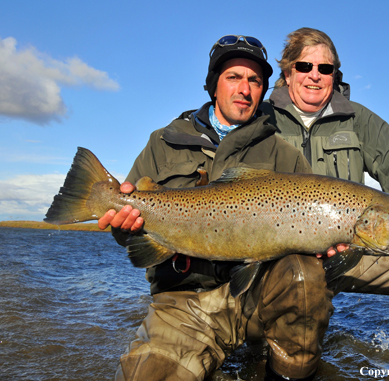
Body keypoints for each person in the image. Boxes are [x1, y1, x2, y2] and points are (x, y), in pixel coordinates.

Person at [100, 35, 332, 381]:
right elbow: (129, 238)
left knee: (304, 274)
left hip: (259, 298)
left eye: (255, 80)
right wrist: (123, 224)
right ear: (212, 86)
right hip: (184, 302)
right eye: (233, 77)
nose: (245, 88)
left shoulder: (284, 155)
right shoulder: (163, 141)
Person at [259, 27, 389, 367]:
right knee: (286, 313)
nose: (315, 76)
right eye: (305, 67)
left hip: (351, 251)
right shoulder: (261, 119)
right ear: (288, 71)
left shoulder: (359, 119)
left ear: (335, 74)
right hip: (283, 259)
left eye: (326, 68)